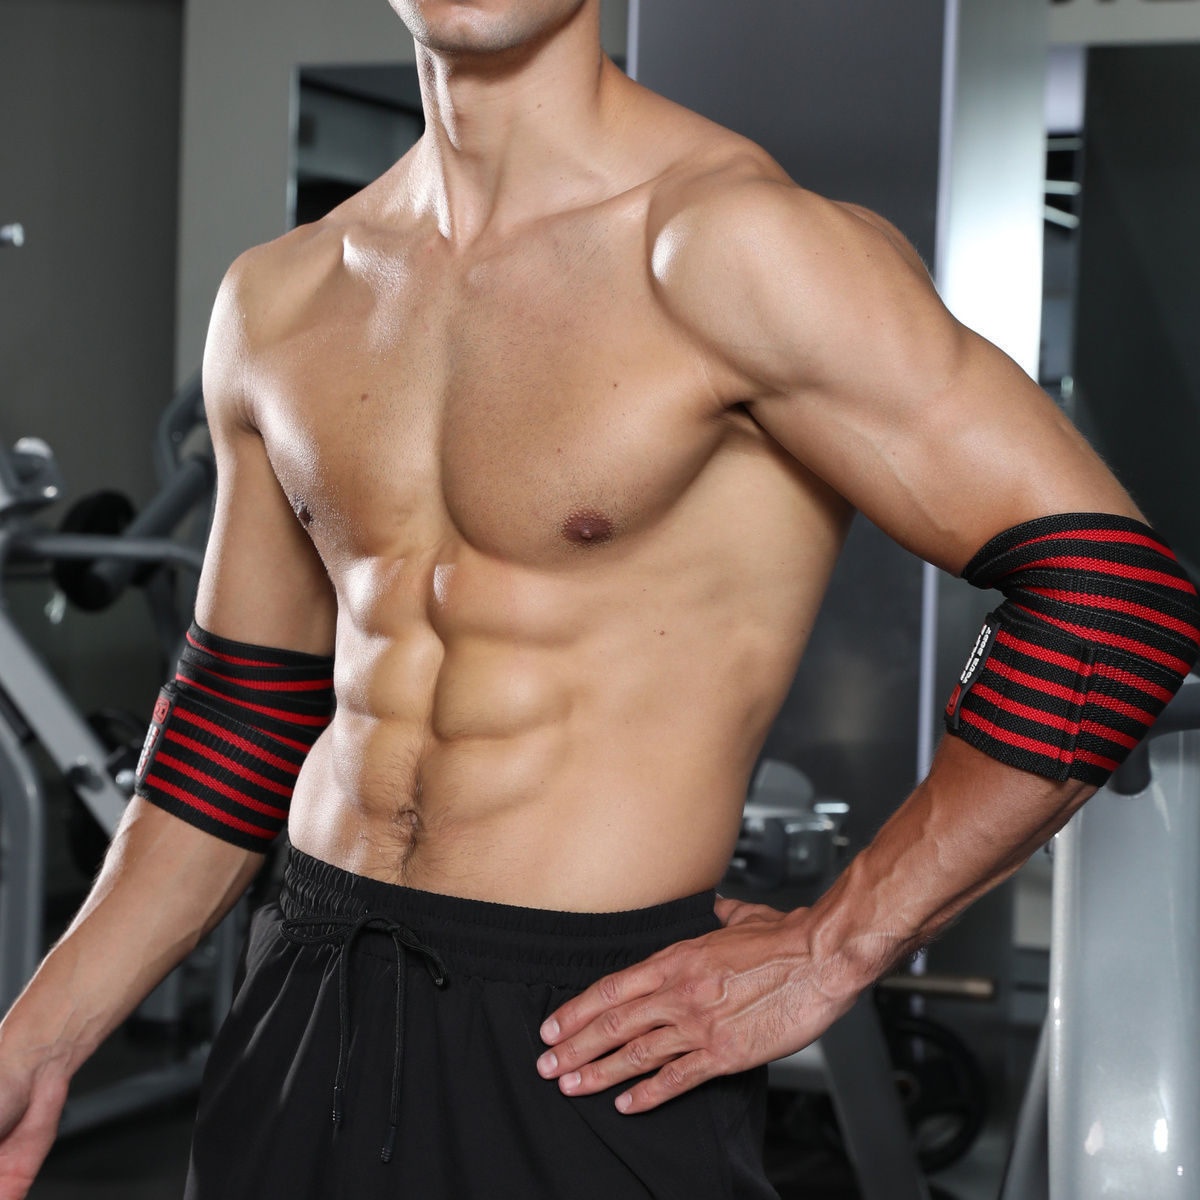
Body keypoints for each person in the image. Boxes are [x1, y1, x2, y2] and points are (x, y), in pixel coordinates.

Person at [1, 1, 1197, 1197]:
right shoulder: (281, 295)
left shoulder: (730, 249)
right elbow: (239, 714)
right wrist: (36, 1039)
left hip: (590, 1036)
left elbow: (1112, 601)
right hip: (302, 991)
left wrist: (839, 943)